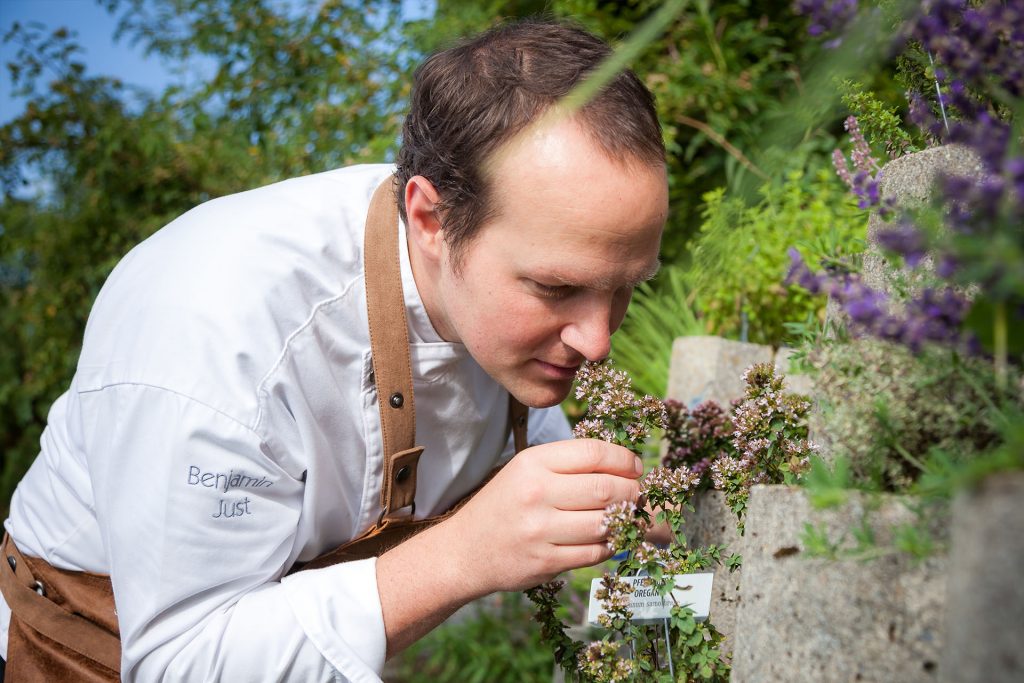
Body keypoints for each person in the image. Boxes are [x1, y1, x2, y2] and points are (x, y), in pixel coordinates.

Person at [0, 18, 668, 682]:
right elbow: (181, 660)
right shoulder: (218, 329)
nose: (598, 339)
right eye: (556, 287)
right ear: (431, 221)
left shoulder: (501, 273)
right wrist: (464, 552)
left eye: (626, 288)